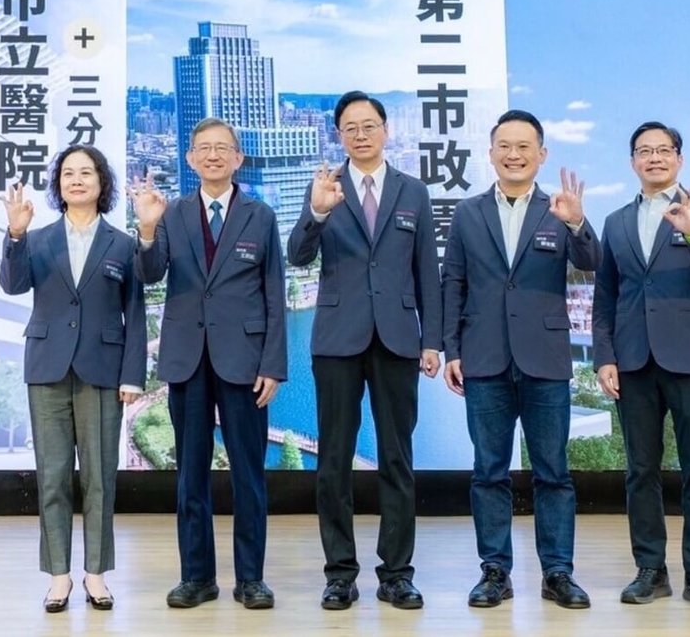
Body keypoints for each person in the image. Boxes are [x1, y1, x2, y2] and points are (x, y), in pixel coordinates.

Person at [287, 90, 441, 611]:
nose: (360, 134)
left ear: (385, 130)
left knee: (398, 458)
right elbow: (297, 255)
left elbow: (427, 272)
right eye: (350, 127)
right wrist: (316, 212)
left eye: (369, 125)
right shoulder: (325, 188)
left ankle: (397, 574)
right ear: (338, 135)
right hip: (337, 340)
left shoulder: (413, 192)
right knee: (333, 460)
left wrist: (433, 340)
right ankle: (339, 574)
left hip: (398, 340)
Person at [442, 109, 599, 610]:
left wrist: (577, 223)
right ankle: (495, 571)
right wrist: (451, 349)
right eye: (504, 146)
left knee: (553, 471)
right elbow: (453, 283)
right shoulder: (467, 213)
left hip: (545, 359)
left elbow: (590, 263)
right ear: (490, 153)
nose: (514, 155)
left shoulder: (559, 209)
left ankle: (558, 572)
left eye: (524, 146)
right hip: (483, 357)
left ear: (541, 155)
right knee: (489, 471)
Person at [129, 117, 287, 610]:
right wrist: (147, 229)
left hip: (245, 362)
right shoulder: (171, 213)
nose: (213, 155)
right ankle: (196, 577)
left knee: (249, 476)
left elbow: (275, 293)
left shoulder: (260, 216)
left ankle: (251, 579)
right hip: (188, 359)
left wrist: (273, 365)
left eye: (223, 148)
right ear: (191, 158)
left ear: (238, 158)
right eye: (204, 148)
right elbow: (150, 274)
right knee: (190, 475)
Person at [0, 144, 146, 612]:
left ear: (102, 184)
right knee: (53, 478)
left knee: (100, 479)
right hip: (47, 369)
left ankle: (96, 575)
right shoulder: (37, 238)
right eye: (68, 174)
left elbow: (135, 314)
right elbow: (12, 284)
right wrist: (15, 234)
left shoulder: (121, 244)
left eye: (86, 173)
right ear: (58, 185)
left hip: (102, 371)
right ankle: (59, 576)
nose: (76, 180)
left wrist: (133, 376)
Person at [592, 121, 690, 610]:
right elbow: (606, 295)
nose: (654, 158)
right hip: (634, 361)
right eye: (644, 151)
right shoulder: (616, 222)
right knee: (640, 471)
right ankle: (650, 569)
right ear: (633, 161)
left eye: (663, 150)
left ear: (679, 159)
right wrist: (604, 356)